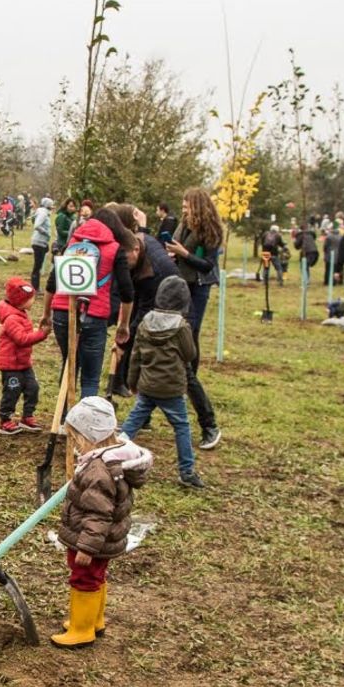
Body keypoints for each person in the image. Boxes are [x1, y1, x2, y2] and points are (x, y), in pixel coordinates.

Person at [51, 396, 149, 648]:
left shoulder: (98, 471)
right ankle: (94, 621)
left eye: (76, 439)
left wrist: (86, 547)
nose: (74, 445)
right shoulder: (113, 459)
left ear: (89, 437)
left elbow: (99, 514)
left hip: (92, 541)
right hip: (102, 540)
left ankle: (81, 629)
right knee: (96, 576)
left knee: (84, 578)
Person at [39, 207, 134, 399]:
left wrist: (46, 314)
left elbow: (52, 282)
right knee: (90, 376)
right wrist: (124, 324)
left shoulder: (72, 243)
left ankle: (64, 416)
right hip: (94, 315)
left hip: (62, 313)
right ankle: (83, 420)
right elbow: (127, 291)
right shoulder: (115, 249)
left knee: (69, 364)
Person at [120, 276, 203, 488]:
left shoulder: (146, 321)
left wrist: (132, 381)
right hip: (171, 389)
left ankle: (113, 455)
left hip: (147, 385)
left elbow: (135, 355)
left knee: (132, 423)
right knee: (181, 426)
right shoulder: (182, 327)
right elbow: (190, 353)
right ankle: (186, 472)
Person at [163, 188, 222, 451]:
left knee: (189, 337)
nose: (183, 208)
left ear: (197, 206)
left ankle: (192, 385)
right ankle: (186, 381)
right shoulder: (183, 225)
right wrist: (172, 253)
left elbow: (207, 264)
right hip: (179, 283)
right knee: (181, 340)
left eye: (187, 205)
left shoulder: (209, 229)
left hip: (198, 287)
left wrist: (184, 254)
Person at [109, 204, 180, 403]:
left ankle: (144, 392)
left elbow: (143, 314)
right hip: (149, 291)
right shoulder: (134, 243)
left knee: (151, 346)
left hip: (170, 301)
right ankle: (124, 385)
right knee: (133, 334)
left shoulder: (151, 273)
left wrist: (124, 338)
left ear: (135, 250)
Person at [0, 277, 50, 434]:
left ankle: (28, 416)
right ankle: (5, 419)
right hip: (11, 366)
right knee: (12, 392)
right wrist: (42, 334)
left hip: (24, 363)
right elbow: (22, 339)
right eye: (30, 299)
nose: (33, 301)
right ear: (20, 301)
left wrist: (37, 331)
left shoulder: (21, 313)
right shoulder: (12, 319)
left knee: (33, 388)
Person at [30, 197, 53, 291]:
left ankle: (36, 286)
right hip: (38, 242)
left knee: (38, 265)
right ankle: (35, 287)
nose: (52, 206)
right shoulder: (43, 213)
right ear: (47, 205)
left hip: (42, 242)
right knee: (37, 266)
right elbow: (37, 225)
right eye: (51, 204)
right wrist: (46, 233)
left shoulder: (44, 213)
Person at [294, 220, 319, 284]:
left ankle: (306, 280)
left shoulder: (300, 235)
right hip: (315, 252)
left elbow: (296, 246)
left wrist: (296, 242)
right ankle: (306, 279)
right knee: (306, 266)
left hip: (306, 252)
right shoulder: (311, 234)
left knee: (304, 266)